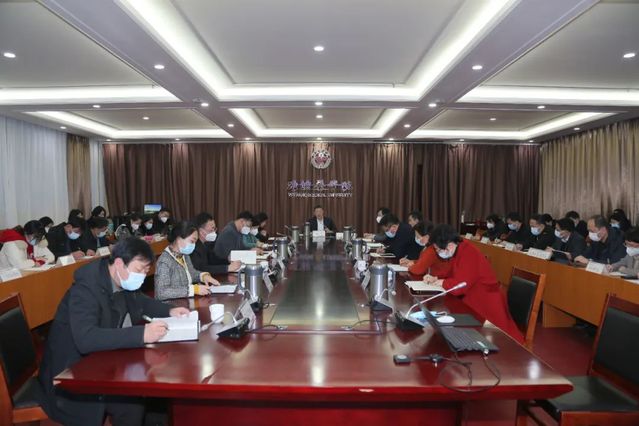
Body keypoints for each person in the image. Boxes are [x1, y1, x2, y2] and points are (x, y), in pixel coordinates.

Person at [38, 237, 190, 426]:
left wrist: (169, 310)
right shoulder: (86, 289)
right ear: (119, 263)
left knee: (154, 384)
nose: (142, 276)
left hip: (104, 358)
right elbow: (86, 339)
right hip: (73, 372)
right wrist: (141, 334)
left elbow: (141, 301)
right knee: (131, 402)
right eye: (139, 270)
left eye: (146, 271)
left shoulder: (121, 279)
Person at [423, 224, 524, 343]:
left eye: (438, 249)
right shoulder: (459, 248)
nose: (438, 252)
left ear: (449, 245)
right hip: (474, 298)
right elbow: (453, 271)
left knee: (498, 342)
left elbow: (460, 286)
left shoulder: (468, 252)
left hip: (487, 303)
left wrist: (442, 282)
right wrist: (436, 278)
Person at [154, 221, 219, 301]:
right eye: (192, 241)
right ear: (178, 238)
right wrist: (193, 289)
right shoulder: (164, 261)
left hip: (185, 301)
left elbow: (191, 273)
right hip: (170, 306)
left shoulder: (184, 255)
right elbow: (161, 292)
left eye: (195, 242)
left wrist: (203, 276)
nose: (193, 246)